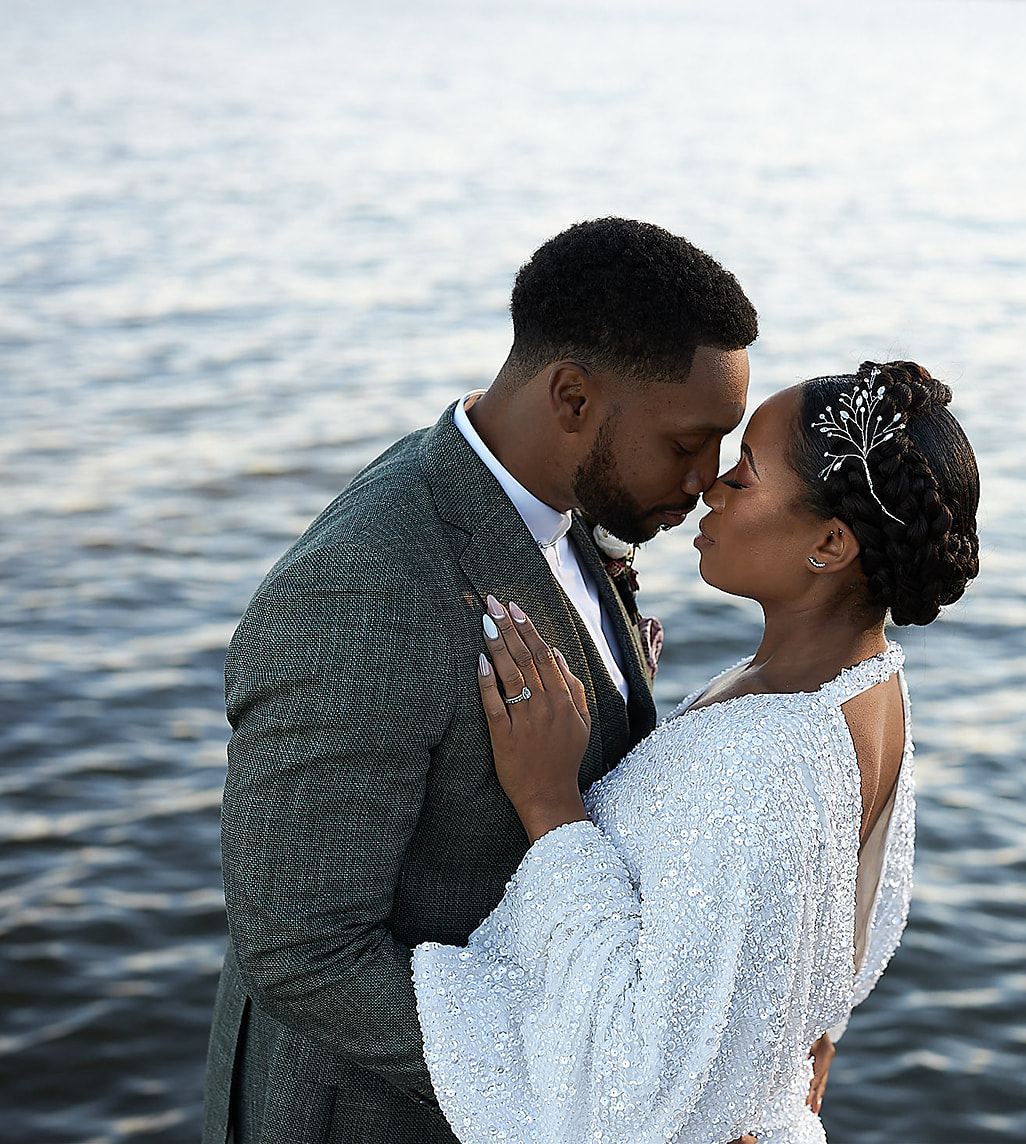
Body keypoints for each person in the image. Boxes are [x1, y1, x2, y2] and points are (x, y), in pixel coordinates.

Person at [202, 218, 758, 1144]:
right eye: (686, 444)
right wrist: (570, 1082)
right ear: (572, 397)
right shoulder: (366, 589)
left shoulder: (550, 501)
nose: (708, 479)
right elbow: (299, 947)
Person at [412, 360, 981, 1142]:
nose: (712, 487)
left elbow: (634, 1086)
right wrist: (802, 1030)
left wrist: (549, 803)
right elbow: (849, 920)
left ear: (829, 541)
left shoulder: (763, 757)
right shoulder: (870, 687)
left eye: (745, 473)